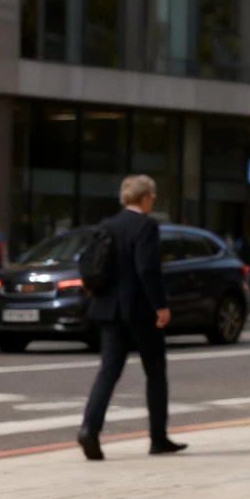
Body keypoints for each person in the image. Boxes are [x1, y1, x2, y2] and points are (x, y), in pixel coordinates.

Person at [77, 175, 186, 461]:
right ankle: (158, 438)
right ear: (145, 198)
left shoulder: (107, 225)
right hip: (138, 311)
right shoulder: (146, 226)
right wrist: (160, 306)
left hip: (108, 309)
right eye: (152, 196)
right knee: (155, 372)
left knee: (109, 371)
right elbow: (147, 269)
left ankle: (89, 428)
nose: (153, 200)